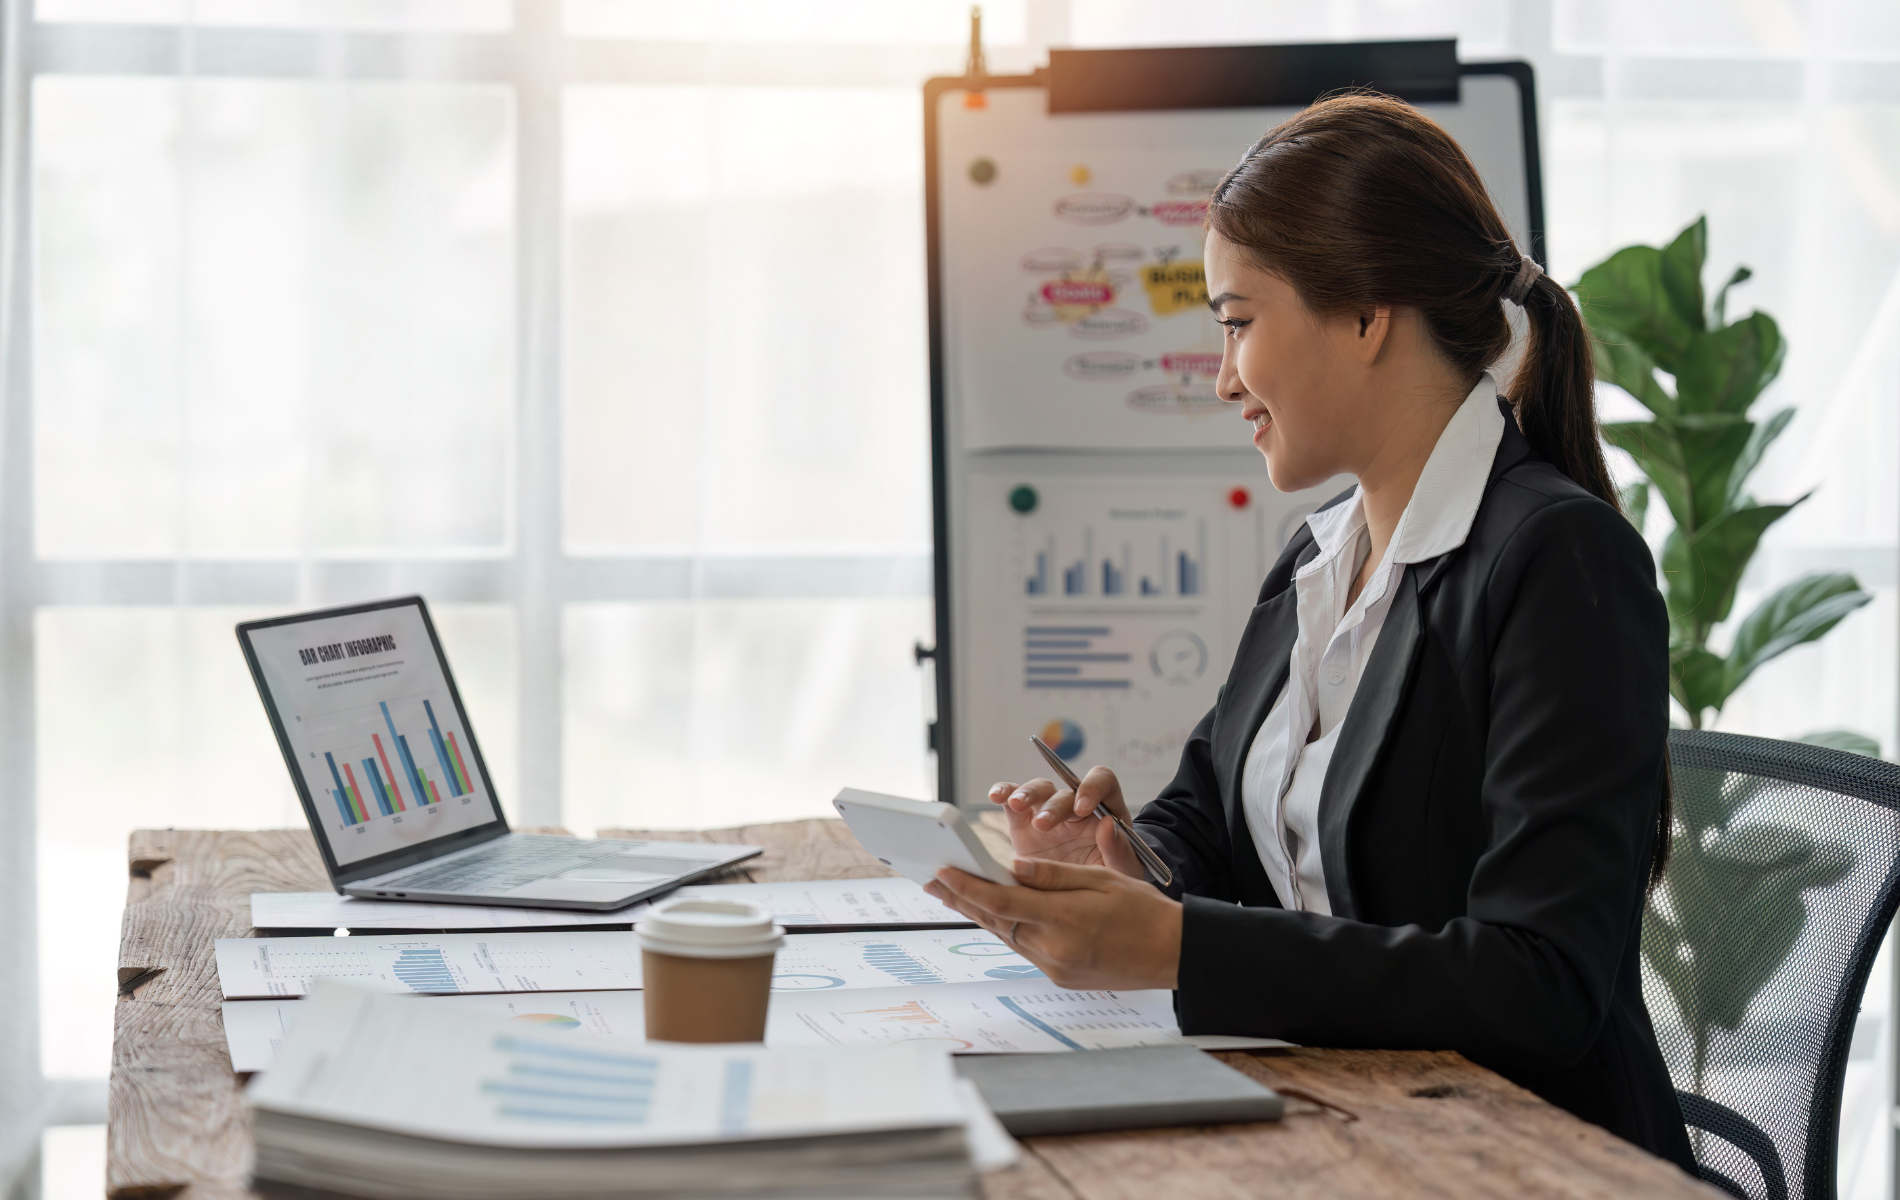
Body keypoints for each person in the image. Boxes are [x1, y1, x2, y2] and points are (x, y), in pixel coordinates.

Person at [923, 93, 1695, 1171]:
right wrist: (1126, 862)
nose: (1223, 374)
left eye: (1238, 322)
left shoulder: (1557, 562)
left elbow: (1541, 980)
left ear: (1367, 313)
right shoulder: (1321, 552)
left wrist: (1186, 944)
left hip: (1519, 1157)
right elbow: (1214, 815)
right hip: (1343, 1119)